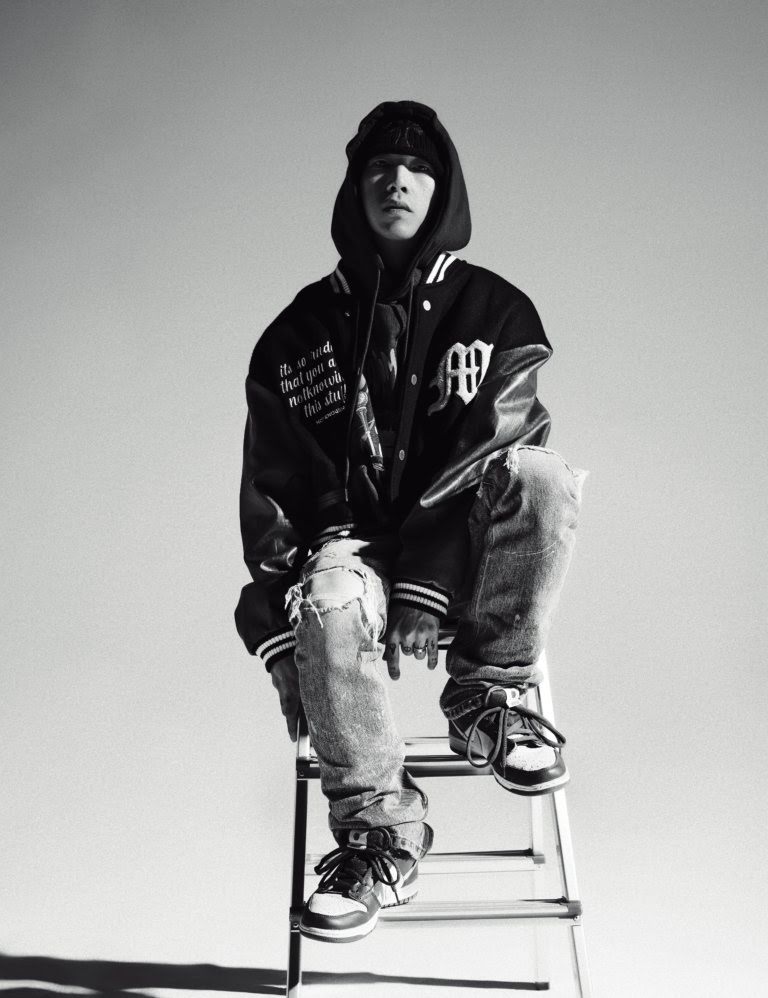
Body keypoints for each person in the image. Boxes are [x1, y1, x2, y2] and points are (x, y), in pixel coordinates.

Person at [235, 100, 586, 944]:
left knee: (543, 477)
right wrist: (286, 642)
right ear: (353, 188)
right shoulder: (296, 335)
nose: (397, 181)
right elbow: (270, 488)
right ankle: (379, 836)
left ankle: (487, 695)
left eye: (419, 168)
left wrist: (427, 584)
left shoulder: (497, 312)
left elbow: (495, 448)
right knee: (326, 596)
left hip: (465, 547)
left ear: (444, 189)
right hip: (352, 551)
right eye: (379, 168)